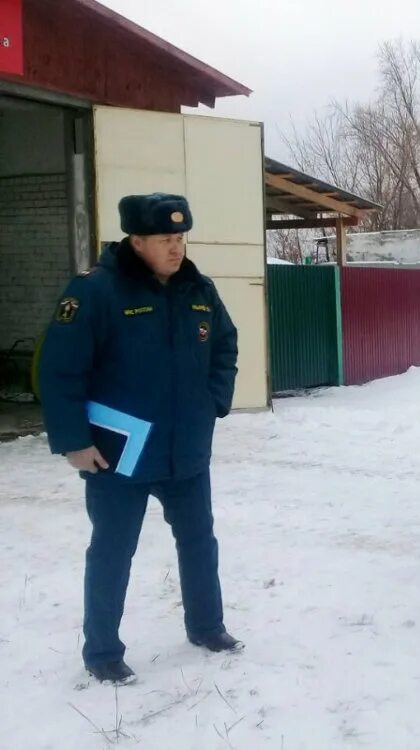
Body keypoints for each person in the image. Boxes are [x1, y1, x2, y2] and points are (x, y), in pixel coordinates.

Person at [39, 193, 243, 686]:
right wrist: (73, 440)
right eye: (165, 240)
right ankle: (103, 651)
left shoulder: (199, 289)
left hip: (186, 448)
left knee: (199, 541)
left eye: (180, 238)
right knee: (112, 550)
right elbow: (59, 370)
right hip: (118, 452)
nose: (176, 248)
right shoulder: (95, 292)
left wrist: (211, 402)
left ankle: (207, 627)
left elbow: (224, 345)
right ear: (136, 241)